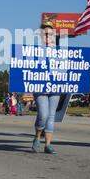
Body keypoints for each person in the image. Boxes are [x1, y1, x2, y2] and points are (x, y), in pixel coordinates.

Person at [31, 22, 61, 155]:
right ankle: (37, 137)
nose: (48, 37)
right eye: (45, 34)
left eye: (50, 34)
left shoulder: (60, 51)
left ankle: (48, 145)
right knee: (43, 114)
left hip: (55, 87)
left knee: (51, 116)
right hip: (40, 87)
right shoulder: (34, 50)